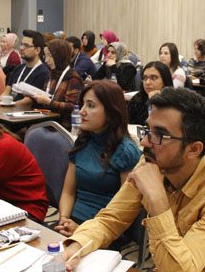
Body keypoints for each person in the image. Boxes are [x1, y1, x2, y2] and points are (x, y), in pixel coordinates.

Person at [62, 87, 205, 272]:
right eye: (147, 130)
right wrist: (77, 246)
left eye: (159, 135)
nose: (144, 142)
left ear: (193, 149)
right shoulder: (151, 163)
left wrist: (157, 200)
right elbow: (111, 219)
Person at [55, 81, 141, 241]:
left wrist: (83, 230)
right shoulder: (83, 142)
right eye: (82, 105)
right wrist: (64, 219)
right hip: (72, 222)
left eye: (90, 106)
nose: (82, 111)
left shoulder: (126, 151)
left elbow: (125, 211)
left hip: (105, 231)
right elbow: (68, 192)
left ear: (111, 112)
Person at [32, 40, 84, 130]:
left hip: (63, 126)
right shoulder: (51, 74)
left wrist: (49, 102)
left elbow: (72, 107)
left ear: (60, 56)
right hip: (47, 120)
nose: (46, 60)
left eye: (50, 56)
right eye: (45, 56)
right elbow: (46, 96)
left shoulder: (73, 78)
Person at [1, 30, 50, 107]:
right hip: (10, 109)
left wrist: (8, 106)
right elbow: (6, 91)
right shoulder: (18, 68)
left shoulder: (43, 72)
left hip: (25, 112)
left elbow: (28, 101)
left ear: (37, 50)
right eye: (21, 44)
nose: (21, 48)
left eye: (26, 46)